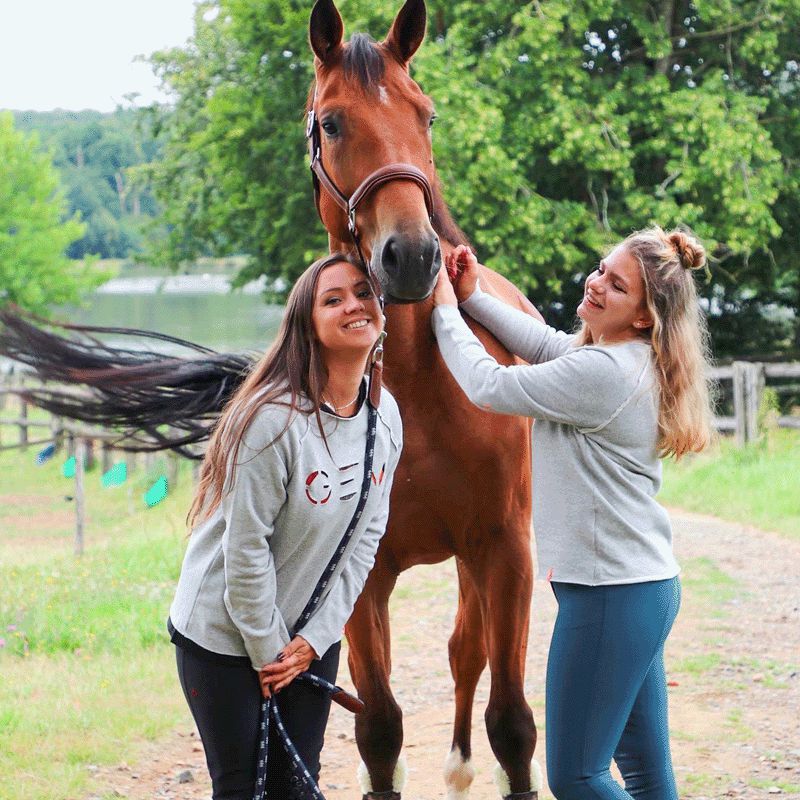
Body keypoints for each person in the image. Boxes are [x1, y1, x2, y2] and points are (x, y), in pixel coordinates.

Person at [431, 227, 714, 800]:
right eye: (601, 269)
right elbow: (543, 344)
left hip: (610, 596)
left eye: (617, 285)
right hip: (641, 588)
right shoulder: (620, 359)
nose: (597, 284)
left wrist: (441, 311)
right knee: (646, 775)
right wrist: (473, 296)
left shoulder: (604, 374)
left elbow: (488, 384)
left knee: (576, 776)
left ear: (642, 317)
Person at [168, 253, 403, 800]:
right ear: (308, 326)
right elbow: (244, 553)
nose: (354, 304)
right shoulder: (271, 421)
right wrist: (272, 652)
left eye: (364, 292)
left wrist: (314, 640)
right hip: (225, 633)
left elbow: (365, 540)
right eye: (333, 299)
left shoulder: (385, 415)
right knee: (244, 786)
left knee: (298, 785)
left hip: (305, 634)